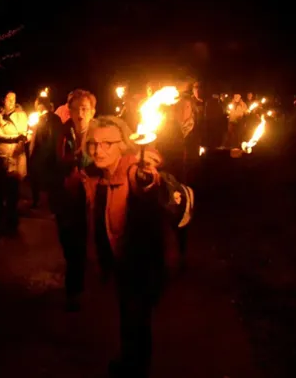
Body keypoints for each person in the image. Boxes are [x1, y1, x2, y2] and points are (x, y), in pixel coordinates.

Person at [82, 116, 194, 378]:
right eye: (93, 144)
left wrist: (147, 178)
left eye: (107, 143)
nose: (98, 150)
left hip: (142, 263)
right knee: (129, 317)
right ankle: (129, 361)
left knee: (137, 320)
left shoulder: (133, 170)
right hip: (122, 262)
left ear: (122, 145)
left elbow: (146, 182)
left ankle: (135, 368)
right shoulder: (99, 175)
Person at [52, 89, 97, 312]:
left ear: (93, 111)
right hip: (66, 199)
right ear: (68, 110)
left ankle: (76, 289)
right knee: (70, 244)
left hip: (92, 198)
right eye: (76, 109)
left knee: (83, 244)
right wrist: (63, 177)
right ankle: (75, 283)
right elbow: (48, 162)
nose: (80, 114)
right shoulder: (60, 133)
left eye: (85, 109)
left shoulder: (100, 134)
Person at [0, 91, 29, 235]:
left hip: (16, 157)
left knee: (13, 191)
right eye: (8, 99)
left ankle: (12, 222)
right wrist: (17, 137)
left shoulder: (21, 115)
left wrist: (25, 137)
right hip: (1, 157)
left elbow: (24, 132)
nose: (11, 102)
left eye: (14, 99)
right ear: (2, 100)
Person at [28, 95, 59, 209]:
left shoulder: (42, 119)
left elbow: (40, 139)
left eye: (37, 106)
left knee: (39, 181)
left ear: (40, 106)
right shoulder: (56, 118)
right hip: (53, 155)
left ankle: (39, 203)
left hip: (41, 156)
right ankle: (50, 204)